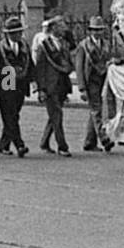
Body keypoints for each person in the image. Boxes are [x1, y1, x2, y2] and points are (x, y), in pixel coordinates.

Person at [33, 15, 72, 156]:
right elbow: (40, 69)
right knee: (57, 115)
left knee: (54, 116)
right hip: (50, 86)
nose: (64, 29)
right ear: (53, 28)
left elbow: (68, 63)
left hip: (62, 85)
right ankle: (63, 146)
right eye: (61, 26)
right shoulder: (44, 45)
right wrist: (41, 89)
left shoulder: (64, 44)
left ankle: (44, 142)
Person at [74, 15, 114, 153]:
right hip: (90, 81)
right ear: (90, 31)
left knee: (95, 111)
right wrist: (81, 88)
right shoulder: (83, 46)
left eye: (100, 30)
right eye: (94, 30)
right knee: (96, 110)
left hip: (103, 79)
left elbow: (111, 58)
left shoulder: (107, 44)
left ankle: (89, 142)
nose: (97, 33)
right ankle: (104, 139)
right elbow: (79, 68)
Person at [0, 17, 31, 157]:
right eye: (15, 33)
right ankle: (19, 145)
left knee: (13, 115)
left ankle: (3, 145)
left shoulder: (24, 46)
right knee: (10, 116)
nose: (18, 35)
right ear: (8, 34)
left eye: (19, 32)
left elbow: (30, 63)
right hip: (6, 83)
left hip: (21, 84)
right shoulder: (0, 47)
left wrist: (32, 81)